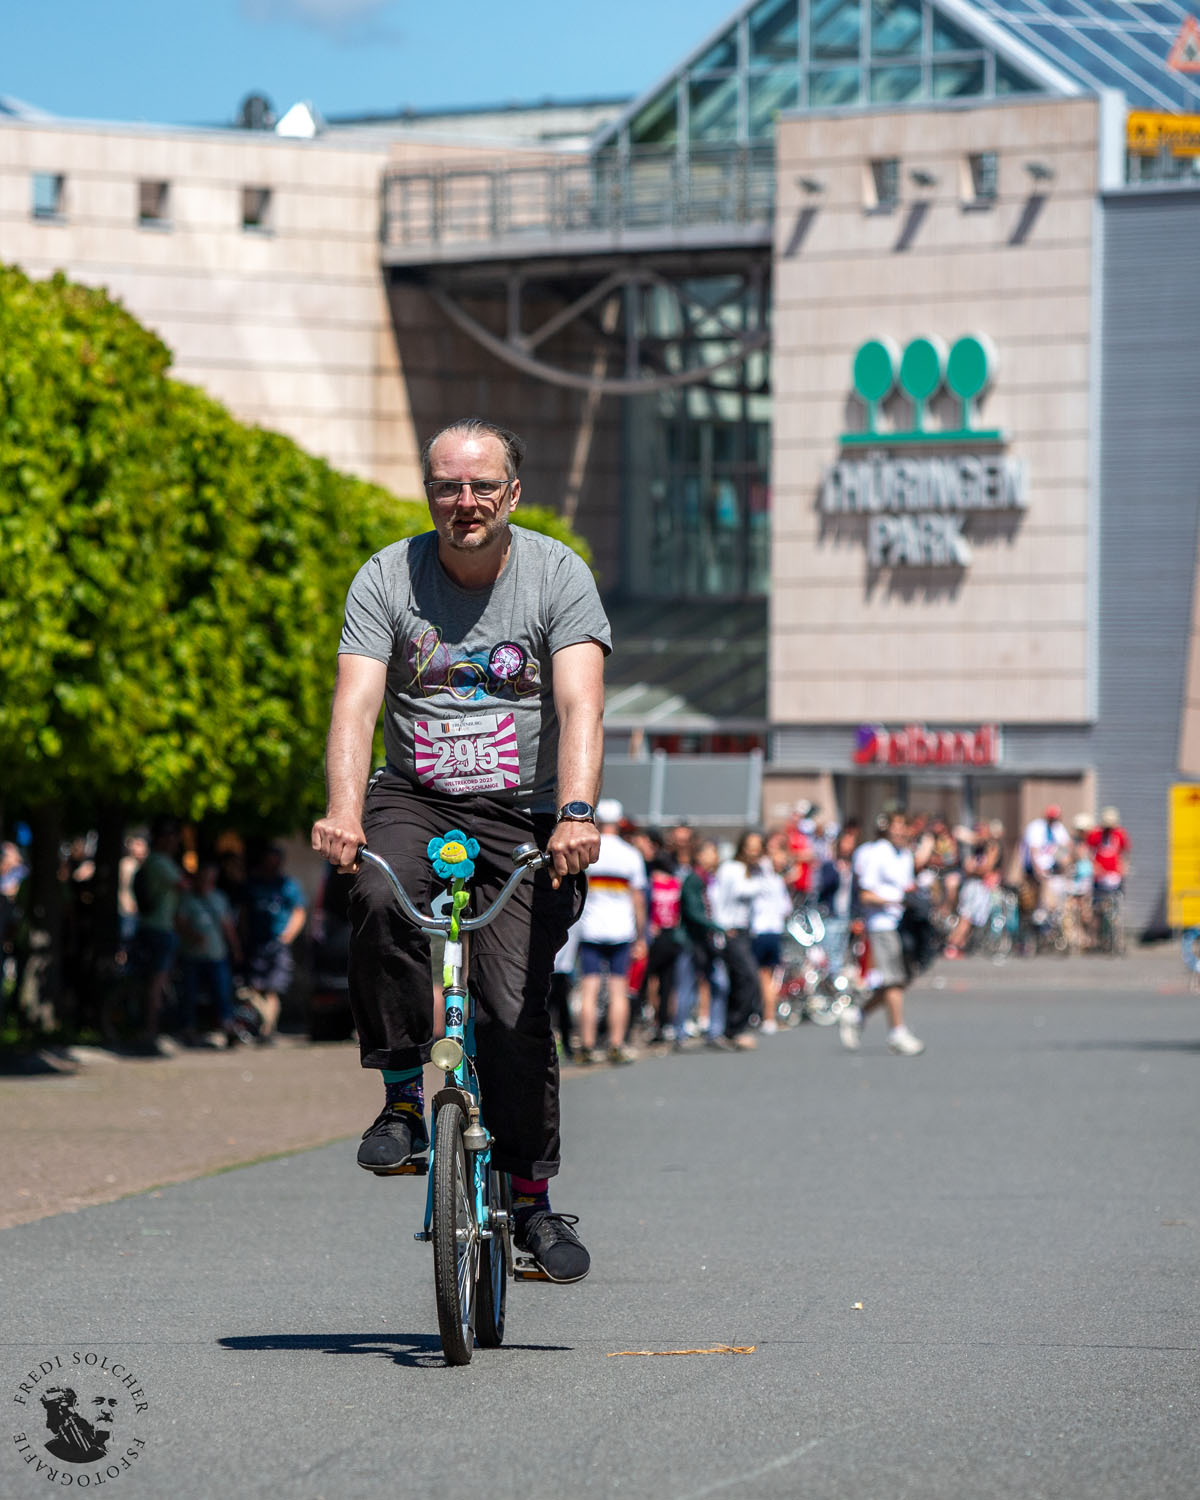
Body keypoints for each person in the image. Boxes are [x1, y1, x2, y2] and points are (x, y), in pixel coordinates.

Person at [311, 417, 609, 1285]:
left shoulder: (558, 576)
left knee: (516, 1009)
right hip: (417, 795)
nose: (464, 502)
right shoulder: (386, 577)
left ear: (513, 494)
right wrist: (343, 810)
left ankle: (530, 1204)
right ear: (430, 491)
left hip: (527, 813)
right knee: (375, 893)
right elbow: (356, 706)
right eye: (448, 485)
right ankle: (405, 1091)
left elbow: (581, 704)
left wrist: (578, 813)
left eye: (482, 486)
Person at [840, 808, 925, 1056]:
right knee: (893, 980)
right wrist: (893, 901)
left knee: (902, 979)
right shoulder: (877, 853)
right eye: (896, 825)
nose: (900, 830)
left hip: (903, 924)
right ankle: (897, 1033)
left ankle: (857, 1015)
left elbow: (906, 887)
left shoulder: (905, 855)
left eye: (904, 825)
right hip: (882, 923)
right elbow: (865, 893)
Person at [574, 798, 647, 1066]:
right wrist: (642, 936)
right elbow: (638, 900)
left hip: (591, 928)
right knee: (618, 990)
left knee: (589, 989)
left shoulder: (589, 850)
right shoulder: (630, 854)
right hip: (621, 930)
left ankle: (587, 1046)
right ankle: (616, 1044)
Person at [240, 843, 306, 1044]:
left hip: (277, 944)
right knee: (253, 988)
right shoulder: (253, 884)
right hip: (257, 941)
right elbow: (244, 912)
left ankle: (267, 1030)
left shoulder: (287, 884)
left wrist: (287, 936)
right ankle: (261, 1026)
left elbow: (299, 911)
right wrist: (244, 935)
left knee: (273, 988)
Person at [132, 816, 186, 1051]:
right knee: (156, 981)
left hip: (157, 927)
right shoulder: (160, 862)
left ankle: (153, 1027)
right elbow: (183, 885)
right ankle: (150, 1030)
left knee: (157, 981)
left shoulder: (156, 861)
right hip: (158, 928)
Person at [709, 830, 766, 1049]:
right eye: (750, 846)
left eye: (757, 847)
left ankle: (732, 1030)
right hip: (730, 931)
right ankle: (733, 1028)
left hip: (745, 931)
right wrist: (720, 928)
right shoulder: (732, 868)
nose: (754, 851)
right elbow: (722, 897)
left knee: (739, 980)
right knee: (749, 977)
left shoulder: (753, 870)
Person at [177, 861, 242, 1045]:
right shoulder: (188, 898)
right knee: (189, 994)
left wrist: (236, 949)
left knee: (222, 992)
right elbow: (179, 921)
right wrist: (192, 934)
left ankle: (227, 1026)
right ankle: (188, 1028)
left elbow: (228, 926)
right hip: (192, 955)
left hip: (217, 955)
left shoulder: (219, 898)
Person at [674, 838, 727, 1048]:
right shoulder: (693, 880)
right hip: (692, 942)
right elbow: (694, 912)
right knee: (687, 987)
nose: (715, 857)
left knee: (719, 983)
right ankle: (679, 1033)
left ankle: (715, 1031)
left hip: (706, 942)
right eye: (711, 852)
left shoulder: (708, 879)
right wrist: (718, 928)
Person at [751, 841, 792, 1034]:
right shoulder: (777, 881)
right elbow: (786, 909)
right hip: (775, 932)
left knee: (763, 977)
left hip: (760, 931)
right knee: (769, 977)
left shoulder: (759, 879)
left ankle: (767, 1016)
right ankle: (768, 1016)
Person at [1020, 803, 1071, 919]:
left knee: (1061, 892)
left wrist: (1065, 864)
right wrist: (1039, 870)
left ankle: (1053, 915)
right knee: (1041, 895)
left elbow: (1065, 847)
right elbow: (1033, 851)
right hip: (1035, 869)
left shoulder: (1058, 828)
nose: (1054, 821)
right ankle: (1040, 916)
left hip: (1052, 868)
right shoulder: (1036, 827)